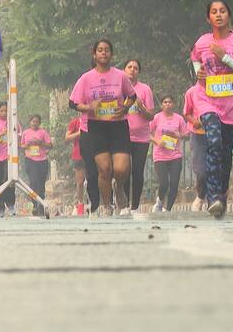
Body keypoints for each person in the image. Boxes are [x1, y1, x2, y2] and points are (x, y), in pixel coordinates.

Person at [191, 0, 233, 219]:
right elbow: (196, 61)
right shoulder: (202, 42)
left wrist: (225, 58)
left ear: (229, 15)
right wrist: (198, 73)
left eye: (222, 11)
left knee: (226, 152)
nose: (218, 15)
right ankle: (214, 197)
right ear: (208, 18)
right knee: (214, 142)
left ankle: (222, 192)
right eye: (214, 12)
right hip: (207, 101)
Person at [69, 39, 137, 217]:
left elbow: (132, 96)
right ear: (94, 54)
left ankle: (119, 186)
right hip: (96, 127)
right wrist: (88, 107)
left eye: (107, 50)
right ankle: (106, 205)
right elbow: (73, 103)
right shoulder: (86, 78)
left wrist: (126, 107)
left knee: (122, 168)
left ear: (111, 54)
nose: (104, 53)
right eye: (100, 50)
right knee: (104, 170)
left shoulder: (120, 75)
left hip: (118, 125)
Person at [123, 59, 155, 215]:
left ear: (139, 72)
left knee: (137, 171)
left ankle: (135, 206)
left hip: (141, 138)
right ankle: (124, 205)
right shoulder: (118, 89)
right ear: (124, 70)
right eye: (129, 67)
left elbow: (151, 116)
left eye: (135, 68)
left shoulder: (145, 89)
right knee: (123, 170)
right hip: (122, 136)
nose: (132, 70)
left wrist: (141, 107)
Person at [150, 95, 188, 212]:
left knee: (174, 183)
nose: (168, 104)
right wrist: (157, 141)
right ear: (161, 105)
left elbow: (186, 134)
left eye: (170, 102)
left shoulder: (179, 119)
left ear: (174, 104)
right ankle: (160, 201)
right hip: (160, 155)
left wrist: (179, 135)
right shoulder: (157, 118)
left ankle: (168, 209)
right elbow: (147, 132)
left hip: (175, 155)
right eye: (165, 102)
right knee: (164, 183)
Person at [21, 114, 52, 216]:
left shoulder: (43, 132)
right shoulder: (25, 133)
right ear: (30, 122)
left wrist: (41, 143)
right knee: (33, 181)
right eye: (33, 121)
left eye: (37, 122)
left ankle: (41, 204)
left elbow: (50, 145)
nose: (35, 123)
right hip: (30, 159)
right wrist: (27, 145)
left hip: (42, 160)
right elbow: (21, 146)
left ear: (39, 122)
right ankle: (34, 204)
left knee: (41, 183)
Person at [183, 83, 207, 211]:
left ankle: (215, 198)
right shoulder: (191, 92)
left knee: (216, 167)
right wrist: (194, 121)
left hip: (216, 132)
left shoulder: (218, 90)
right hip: (197, 134)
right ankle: (200, 196)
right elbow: (187, 113)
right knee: (201, 171)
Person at [65, 115, 87, 216]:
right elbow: (67, 138)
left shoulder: (95, 120)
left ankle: (94, 204)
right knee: (80, 182)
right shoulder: (75, 122)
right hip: (78, 154)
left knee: (94, 180)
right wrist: (79, 133)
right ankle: (80, 204)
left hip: (94, 154)